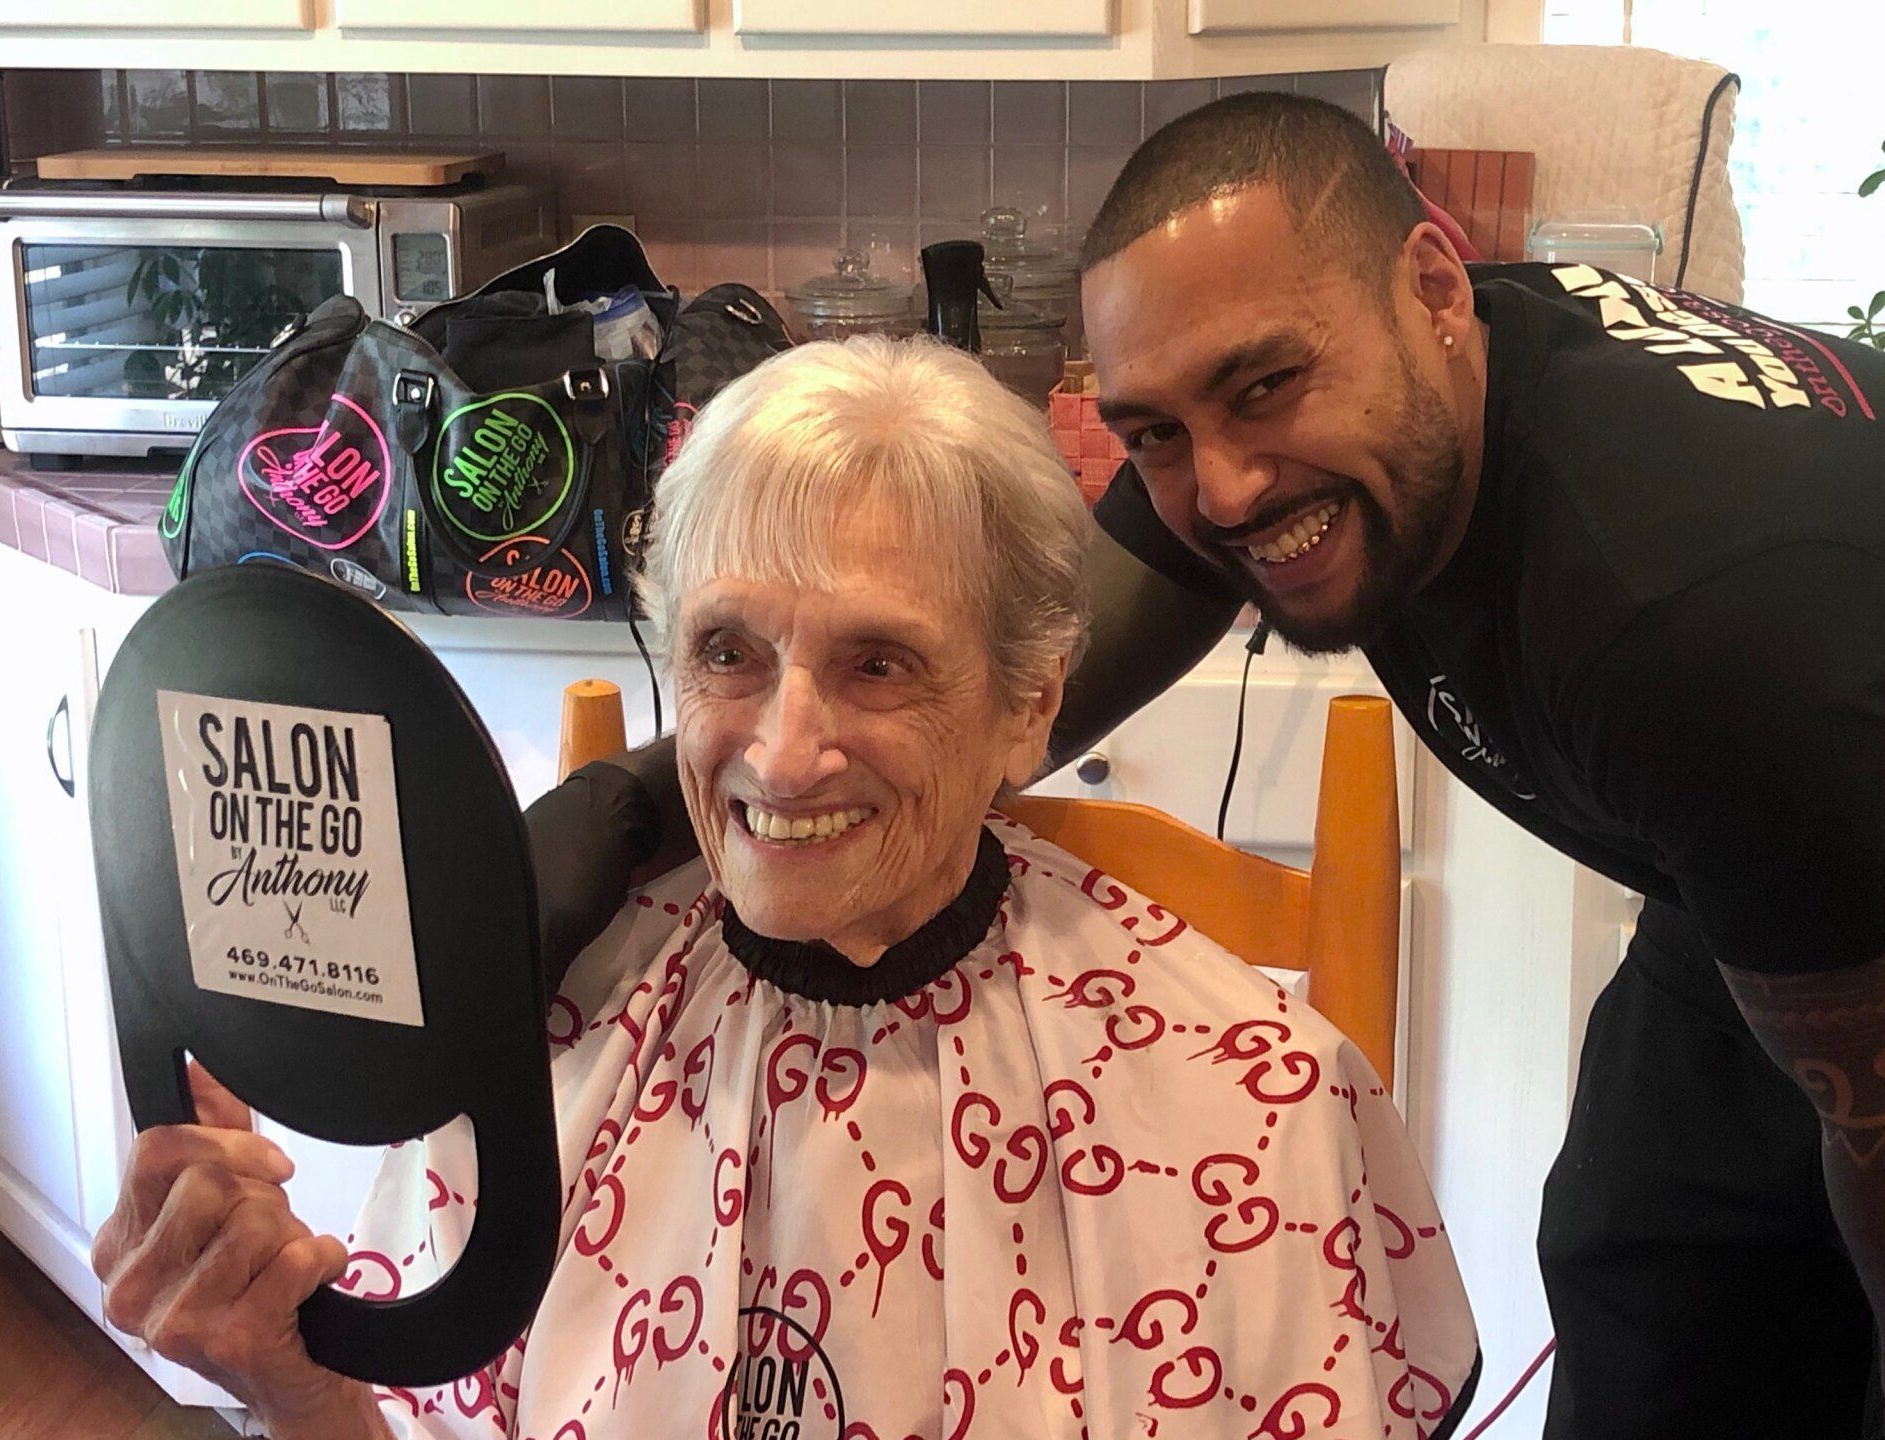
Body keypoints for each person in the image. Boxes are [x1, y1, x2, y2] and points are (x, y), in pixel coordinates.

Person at [525, 93, 1885, 1438]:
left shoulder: (1688, 629)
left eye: (1261, 391)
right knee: (1642, 1281)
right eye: (1158, 432)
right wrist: (642, 800)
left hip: (1811, 785)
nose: (1224, 491)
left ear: (1430, 291)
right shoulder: (1381, 382)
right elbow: (1014, 682)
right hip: (1758, 863)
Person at [91, 337, 1479, 1440]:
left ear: (1031, 701)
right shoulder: (545, 1028)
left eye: (880, 664)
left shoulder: (1249, 1105)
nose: (781, 750)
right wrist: (302, 1385)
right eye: (728, 652)